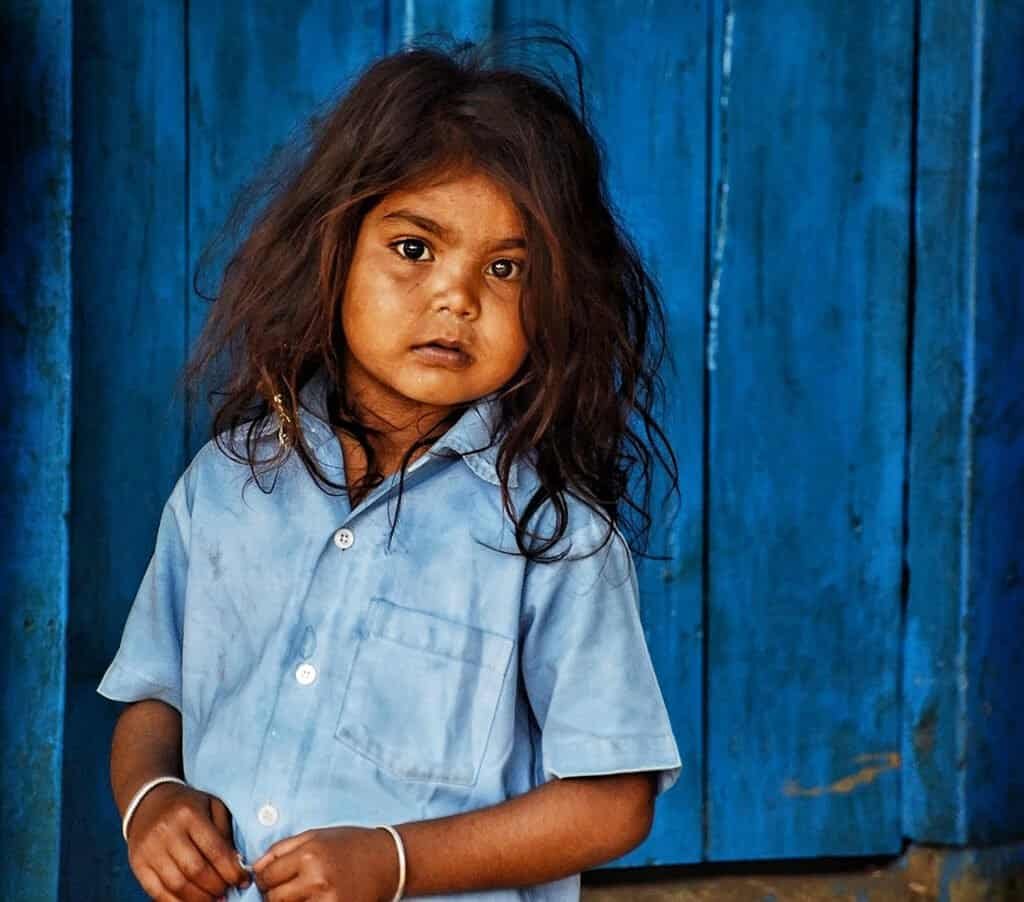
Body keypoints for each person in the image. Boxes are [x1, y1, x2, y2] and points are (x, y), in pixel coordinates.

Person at [97, 29, 682, 902]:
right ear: (332, 252)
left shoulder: (553, 537)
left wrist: (396, 861)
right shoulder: (227, 483)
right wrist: (151, 798)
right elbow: (155, 695)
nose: (458, 296)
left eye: (506, 267)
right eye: (415, 249)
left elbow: (613, 803)